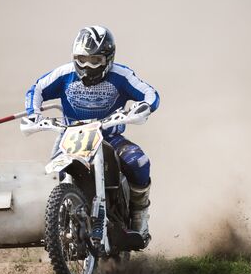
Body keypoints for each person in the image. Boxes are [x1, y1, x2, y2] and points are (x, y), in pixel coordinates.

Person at [25, 26, 160, 241]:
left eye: (95, 60)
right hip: (72, 138)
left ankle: (139, 215)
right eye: (82, 59)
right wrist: (34, 114)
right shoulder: (64, 74)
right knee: (52, 177)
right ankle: (59, 227)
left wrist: (142, 107)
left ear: (109, 58)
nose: (87, 66)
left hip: (110, 137)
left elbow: (150, 94)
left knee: (139, 162)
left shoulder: (121, 75)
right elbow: (37, 89)